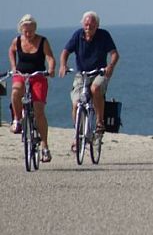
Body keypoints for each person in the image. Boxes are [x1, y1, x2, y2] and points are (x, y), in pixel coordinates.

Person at [59, 11, 119, 151]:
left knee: (95, 89)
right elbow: (65, 51)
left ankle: (99, 122)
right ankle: (78, 135)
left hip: (99, 72)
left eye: (91, 25)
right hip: (82, 74)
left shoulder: (104, 35)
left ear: (97, 25)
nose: (88, 27)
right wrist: (63, 64)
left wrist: (110, 66)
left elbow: (115, 54)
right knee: (76, 104)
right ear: (82, 24)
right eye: (86, 24)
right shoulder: (78, 35)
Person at [8, 15, 56, 162]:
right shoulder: (17, 41)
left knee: (39, 110)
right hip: (21, 75)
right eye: (25, 31)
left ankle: (45, 146)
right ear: (21, 30)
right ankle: (17, 119)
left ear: (35, 29)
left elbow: (50, 57)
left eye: (31, 31)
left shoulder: (42, 41)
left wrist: (51, 69)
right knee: (16, 91)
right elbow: (11, 51)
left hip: (38, 76)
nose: (28, 34)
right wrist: (14, 67)